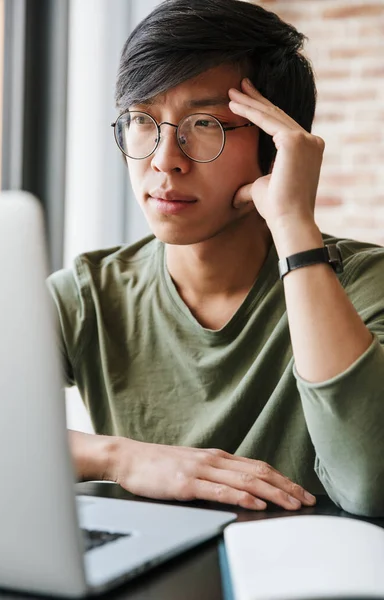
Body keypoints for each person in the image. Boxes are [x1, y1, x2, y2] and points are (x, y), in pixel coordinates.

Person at [48, 0, 384, 517]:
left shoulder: (364, 284)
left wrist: (294, 225)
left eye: (204, 123)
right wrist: (121, 458)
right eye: (142, 120)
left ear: (274, 146)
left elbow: (370, 480)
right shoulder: (88, 294)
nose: (164, 160)